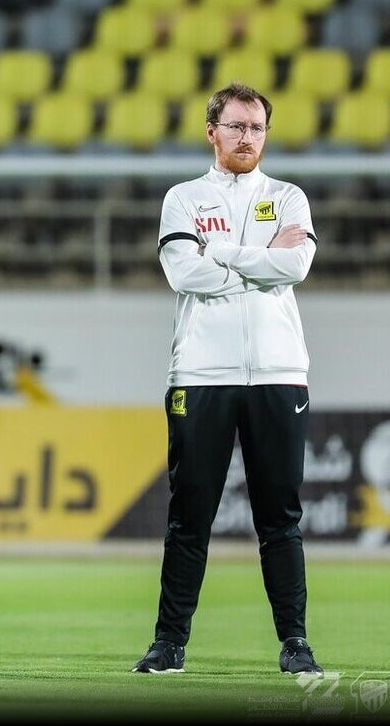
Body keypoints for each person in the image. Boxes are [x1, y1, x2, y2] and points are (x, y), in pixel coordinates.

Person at [134, 83, 322, 675]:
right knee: (190, 515)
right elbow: (183, 275)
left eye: (257, 128)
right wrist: (259, 257)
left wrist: (224, 252)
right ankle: (169, 645)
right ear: (211, 130)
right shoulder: (182, 197)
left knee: (280, 518)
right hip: (201, 373)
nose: (248, 138)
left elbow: (296, 265)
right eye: (237, 126)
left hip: (278, 374)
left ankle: (295, 644)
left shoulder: (288, 196)